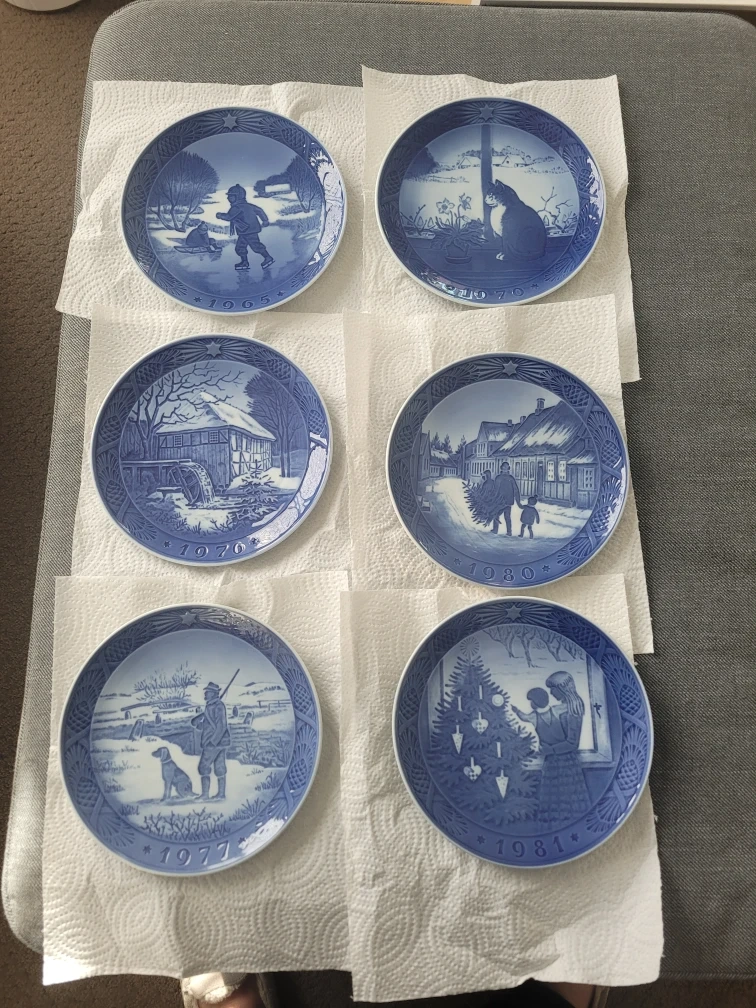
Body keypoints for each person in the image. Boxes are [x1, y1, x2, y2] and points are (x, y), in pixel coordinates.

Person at [516, 671, 590, 827]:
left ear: (562, 688)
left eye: (553, 689)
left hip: (566, 762)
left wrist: (549, 750)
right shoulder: (557, 709)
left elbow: (572, 743)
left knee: (569, 803)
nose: (550, 693)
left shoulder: (572, 708)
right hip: (552, 762)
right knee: (552, 803)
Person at [216, 183, 275, 271]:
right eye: (228, 196)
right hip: (245, 231)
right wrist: (265, 220)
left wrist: (220, 215)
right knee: (240, 247)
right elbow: (260, 210)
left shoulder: (236, 207)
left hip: (248, 231)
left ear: (238, 197)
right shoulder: (248, 205)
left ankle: (268, 258)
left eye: (231, 196)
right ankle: (244, 262)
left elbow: (229, 217)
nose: (228, 198)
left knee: (256, 246)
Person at [485, 181, 547, 261]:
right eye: (488, 196)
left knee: (512, 232)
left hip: (528, 248)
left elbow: (510, 235)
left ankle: (511, 254)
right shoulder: (508, 209)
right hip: (523, 246)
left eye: (491, 197)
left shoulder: (512, 211)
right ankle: (509, 253)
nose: (486, 200)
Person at [190, 681, 230, 801]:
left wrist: (212, 742)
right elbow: (209, 720)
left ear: (213, 693)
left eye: (208, 692)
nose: (205, 694)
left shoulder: (218, 706)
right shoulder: (212, 706)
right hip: (220, 742)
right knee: (219, 767)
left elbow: (221, 726)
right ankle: (221, 795)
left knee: (203, 766)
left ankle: (205, 795)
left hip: (214, 742)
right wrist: (198, 722)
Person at [491, 461, 522, 535]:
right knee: (505, 516)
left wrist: (518, 501)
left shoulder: (502, 478)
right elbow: (515, 490)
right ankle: (507, 531)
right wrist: (518, 502)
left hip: (502, 501)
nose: (505, 469)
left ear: (508, 469)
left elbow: (515, 490)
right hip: (505, 501)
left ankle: (498, 530)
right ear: (501, 468)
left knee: (498, 515)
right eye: (504, 467)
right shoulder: (507, 478)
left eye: (506, 467)